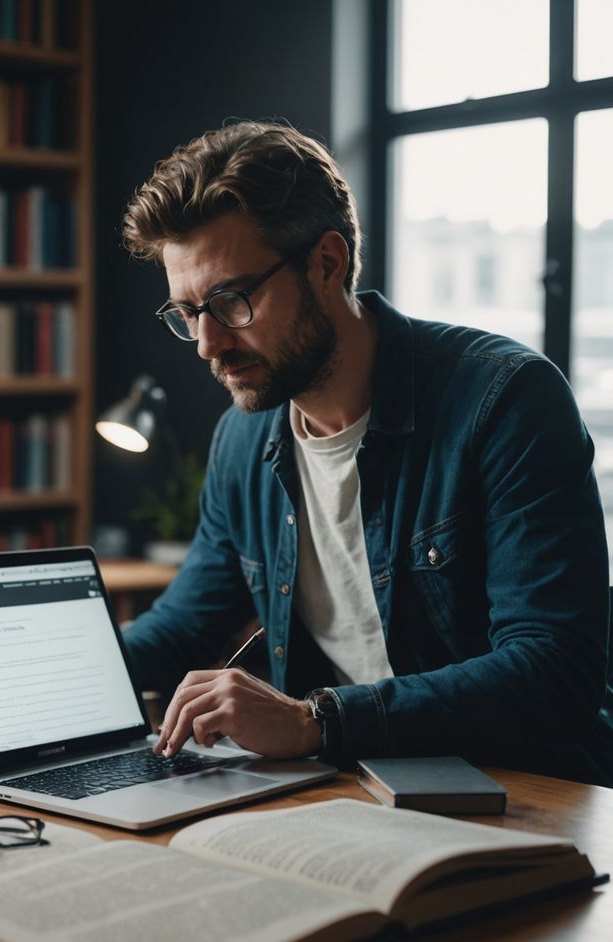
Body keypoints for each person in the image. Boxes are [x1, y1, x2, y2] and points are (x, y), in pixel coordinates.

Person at [119, 119, 613, 786]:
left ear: (327, 263)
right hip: (354, 791)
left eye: (231, 301)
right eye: (187, 312)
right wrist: (30, 680)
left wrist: (315, 722)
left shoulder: (505, 400)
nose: (207, 344)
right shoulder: (245, 438)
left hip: (528, 792)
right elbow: (183, 625)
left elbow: (556, 671)